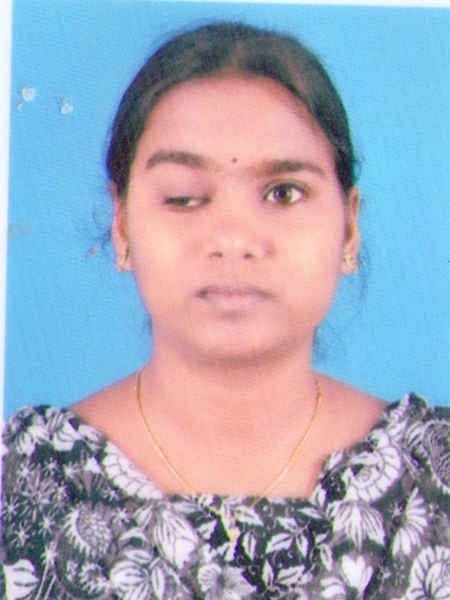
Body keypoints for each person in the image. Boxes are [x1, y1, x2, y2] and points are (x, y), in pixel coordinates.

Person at [1, 22, 448, 600]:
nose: (233, 239)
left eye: (283, 193)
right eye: (184, 198)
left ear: (349, 228)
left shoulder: (432, 479)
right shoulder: (24, 486)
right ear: (123, 226)